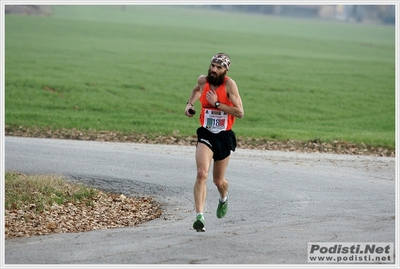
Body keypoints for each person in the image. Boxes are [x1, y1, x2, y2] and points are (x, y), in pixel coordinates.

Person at [184, 53, 244, 232]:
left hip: (224, 136)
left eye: (219, 67)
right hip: (206, 133)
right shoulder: (203, 81)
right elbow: (196, 90)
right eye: (212, 66)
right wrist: (189, 104)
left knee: (218, 181)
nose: (214, 70)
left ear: (225, 70)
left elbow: (240, 112)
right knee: (202, 173)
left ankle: (223, 197)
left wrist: (217, 104)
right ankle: (199, 217)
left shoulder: (229, 85)